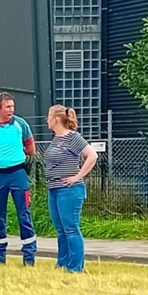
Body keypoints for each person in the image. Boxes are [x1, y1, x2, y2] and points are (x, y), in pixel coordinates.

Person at [0, 93, 37, 266]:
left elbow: (31, 149)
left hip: (18, 174)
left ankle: (29, 258)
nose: (11, 110)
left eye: (12, 106)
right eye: (7, 107)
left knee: (24, 214)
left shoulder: (21, 125)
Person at [44, 105, 98, 273]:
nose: (47, 120)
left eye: (49, 116)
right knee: (61, 229)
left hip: (69, 190)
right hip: (54, 188)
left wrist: (77, 176)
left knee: (71, 228)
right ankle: (63, 263)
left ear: (56, 119)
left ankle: (75, 268)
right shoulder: (56, 139)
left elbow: (92, 155)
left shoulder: (73, 137)